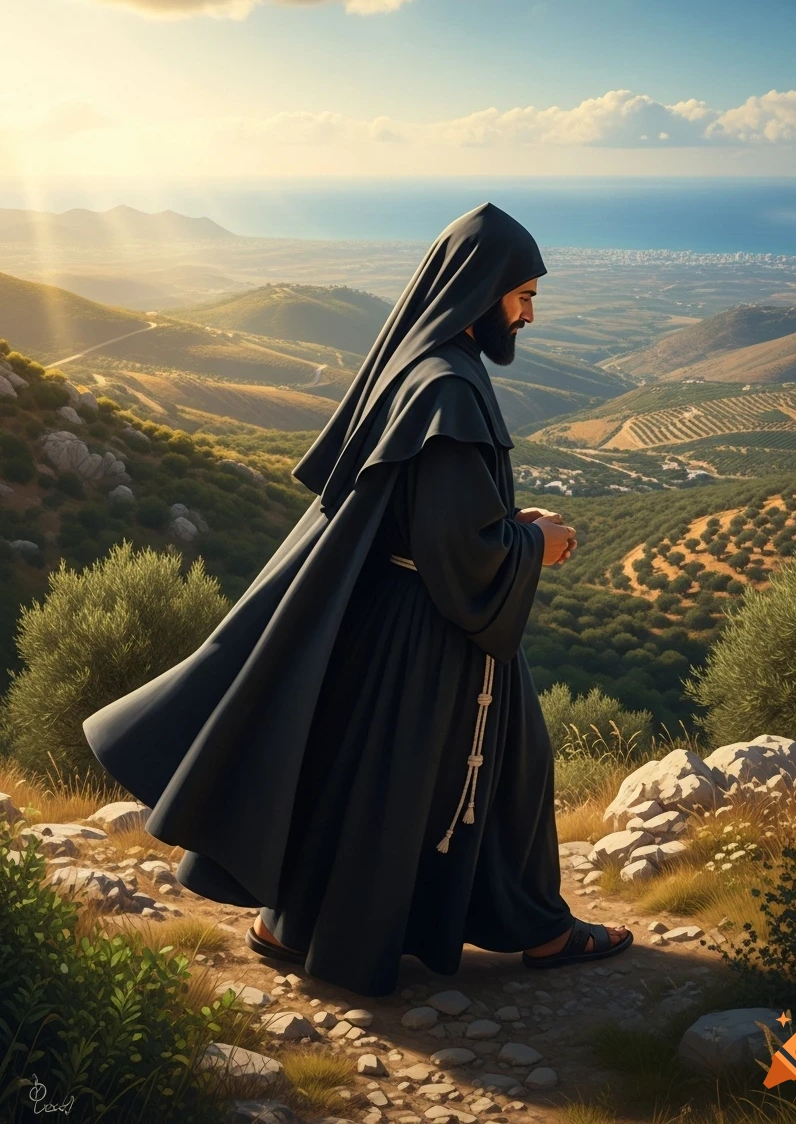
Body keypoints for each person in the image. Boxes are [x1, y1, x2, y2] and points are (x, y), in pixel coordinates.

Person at [82, 202, 632, 997]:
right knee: (493, 771)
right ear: (483, 293)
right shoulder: (449, 388)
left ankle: (290, 924)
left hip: (388, 617)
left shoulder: (417, 365)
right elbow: (457, 553)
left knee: (360, 775)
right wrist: (533, 544)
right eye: (524, 295)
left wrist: (505, 521)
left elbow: (424, 508)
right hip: (434, 635)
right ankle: (542, 933)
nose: (530, 313)